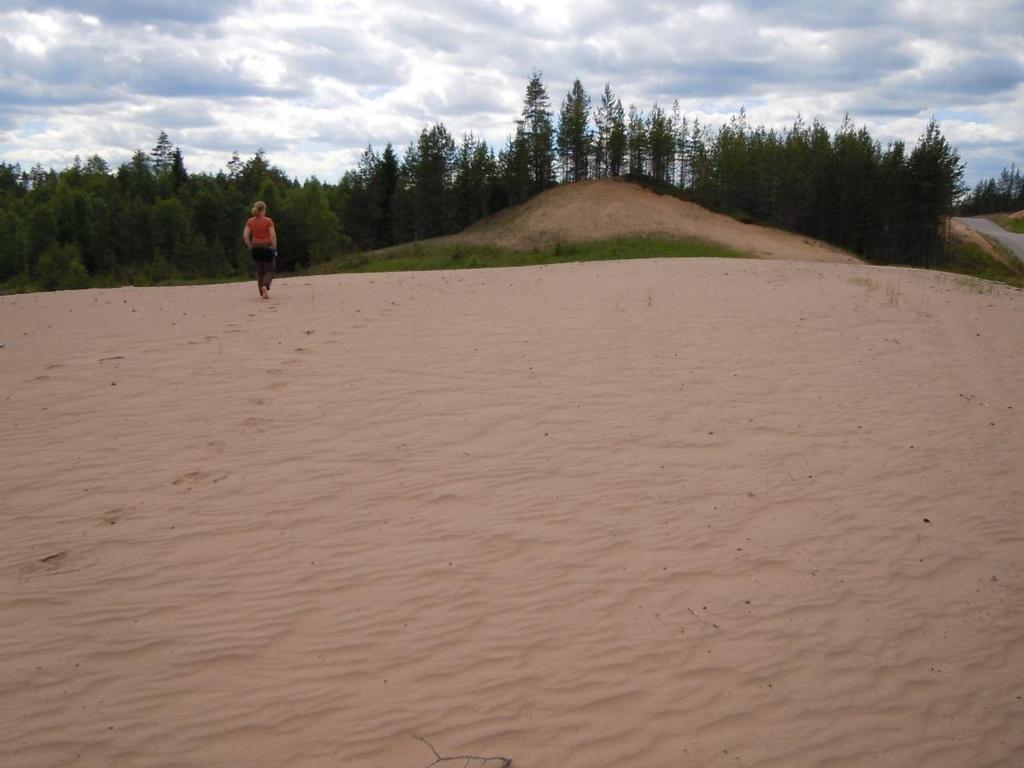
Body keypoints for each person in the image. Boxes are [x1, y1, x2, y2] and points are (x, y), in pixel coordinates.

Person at [243, 201, 277, 299]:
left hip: (255, 248)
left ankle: (262, 293)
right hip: (267, 247)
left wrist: (250, 246)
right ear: (264, 210)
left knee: (260, 271)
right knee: (270, 269)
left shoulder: (250, 221)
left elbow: (245, 236)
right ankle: (265, 286)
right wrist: (274, 247)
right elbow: (273, 236)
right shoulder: (268, 220)